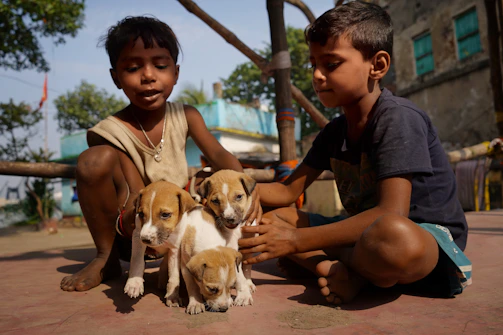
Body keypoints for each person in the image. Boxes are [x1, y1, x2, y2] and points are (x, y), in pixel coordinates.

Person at [239, 1, 471, 305]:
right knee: (270, 216)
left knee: (392, 236)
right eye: (314, 65)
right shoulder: (333, 133)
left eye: (331, 64)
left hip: (423, 242)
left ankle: (344, 266)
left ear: (377, 65)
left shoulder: (398, 118)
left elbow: (392, 213)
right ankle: (333, 269)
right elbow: (285, 191)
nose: (318, 76)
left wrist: (296, 242)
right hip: (362, 238)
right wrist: (244, 189)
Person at [60, 16, 259, 292]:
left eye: (160, 65)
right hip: (133, 222)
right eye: (132, 67)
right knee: (93, 160)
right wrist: (146, 225)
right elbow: (137, 192)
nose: (149, 75)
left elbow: (219, 154)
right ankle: (105, 258)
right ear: (115, 77)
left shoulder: (186, 115)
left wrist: (245, 188)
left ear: (175, 73)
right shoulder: (109, 131)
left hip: (178, 220)